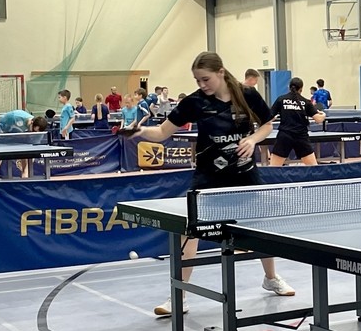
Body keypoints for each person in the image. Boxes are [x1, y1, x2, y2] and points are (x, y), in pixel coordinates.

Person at [123, 51, 295, 316]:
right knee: (190, 230)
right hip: (209, 176)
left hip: (244, 174)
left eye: (206, 79)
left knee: (260, 228)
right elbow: (163, 132)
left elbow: (267, 125)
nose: (202, 85)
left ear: (221, 72)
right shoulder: (194, 102)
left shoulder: (247, 95)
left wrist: (252, 140)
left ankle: (270, 278)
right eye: (197, 80)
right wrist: (140, 131)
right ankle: (178, 296)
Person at [270, 77, 324, 165]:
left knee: (273, 169)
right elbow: (318, 119)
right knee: (313, 168)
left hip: (284, 136)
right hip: (301, 137)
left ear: (289, 87)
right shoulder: (306, 102)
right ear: (301, 89)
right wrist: (323, 114)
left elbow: (269, 117)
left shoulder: (281, 99)